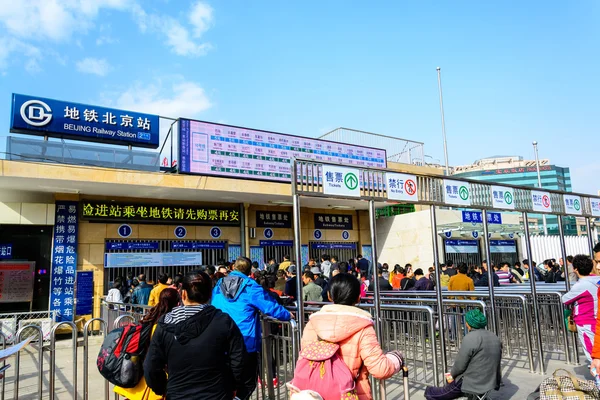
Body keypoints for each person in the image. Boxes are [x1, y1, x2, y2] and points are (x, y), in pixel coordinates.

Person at [300, 273, 403, 400]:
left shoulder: (312, 324)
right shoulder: (363, 327)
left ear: (329, 296)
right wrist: (396, 358)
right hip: (351, 394)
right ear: (358, 298)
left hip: (314, 393)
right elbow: (379, 369)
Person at [144, 272, 245, 400]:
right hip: (217, 393)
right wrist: (233, 386)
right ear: (210, 294)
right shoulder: (223, 321)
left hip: (177, 394)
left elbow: (151, 366)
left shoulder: (165, 323)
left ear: (183, 294)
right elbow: (239, 359)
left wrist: (163, 388)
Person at [212, 257, 291, 399]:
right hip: (245, 342)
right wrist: (287, 315)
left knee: (226, 382)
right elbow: (269, 307)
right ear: (249, 271)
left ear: (233, 267)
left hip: (221, 341)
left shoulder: (218, 285)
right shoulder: (250, 286)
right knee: (247, 383)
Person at [115, 288, 179, 400]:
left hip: (141, 373)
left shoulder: (150, 317)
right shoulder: (166, 325)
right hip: (157, 375)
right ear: (177, 303)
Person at [424, 309, 501, 399]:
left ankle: (428, 391)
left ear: (468, 324)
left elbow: (460, 365)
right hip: (490, 380)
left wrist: (451, 375)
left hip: (473, 381)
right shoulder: (494, 336)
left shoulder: (470, 338)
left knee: (433, 393)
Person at [562, 255, 598, 362]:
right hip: (596, 320)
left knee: (592, 355)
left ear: (575, 268)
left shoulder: (582, 285)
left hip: (587, 322)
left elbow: (565, 299)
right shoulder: (597, 279)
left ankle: (597, 376)